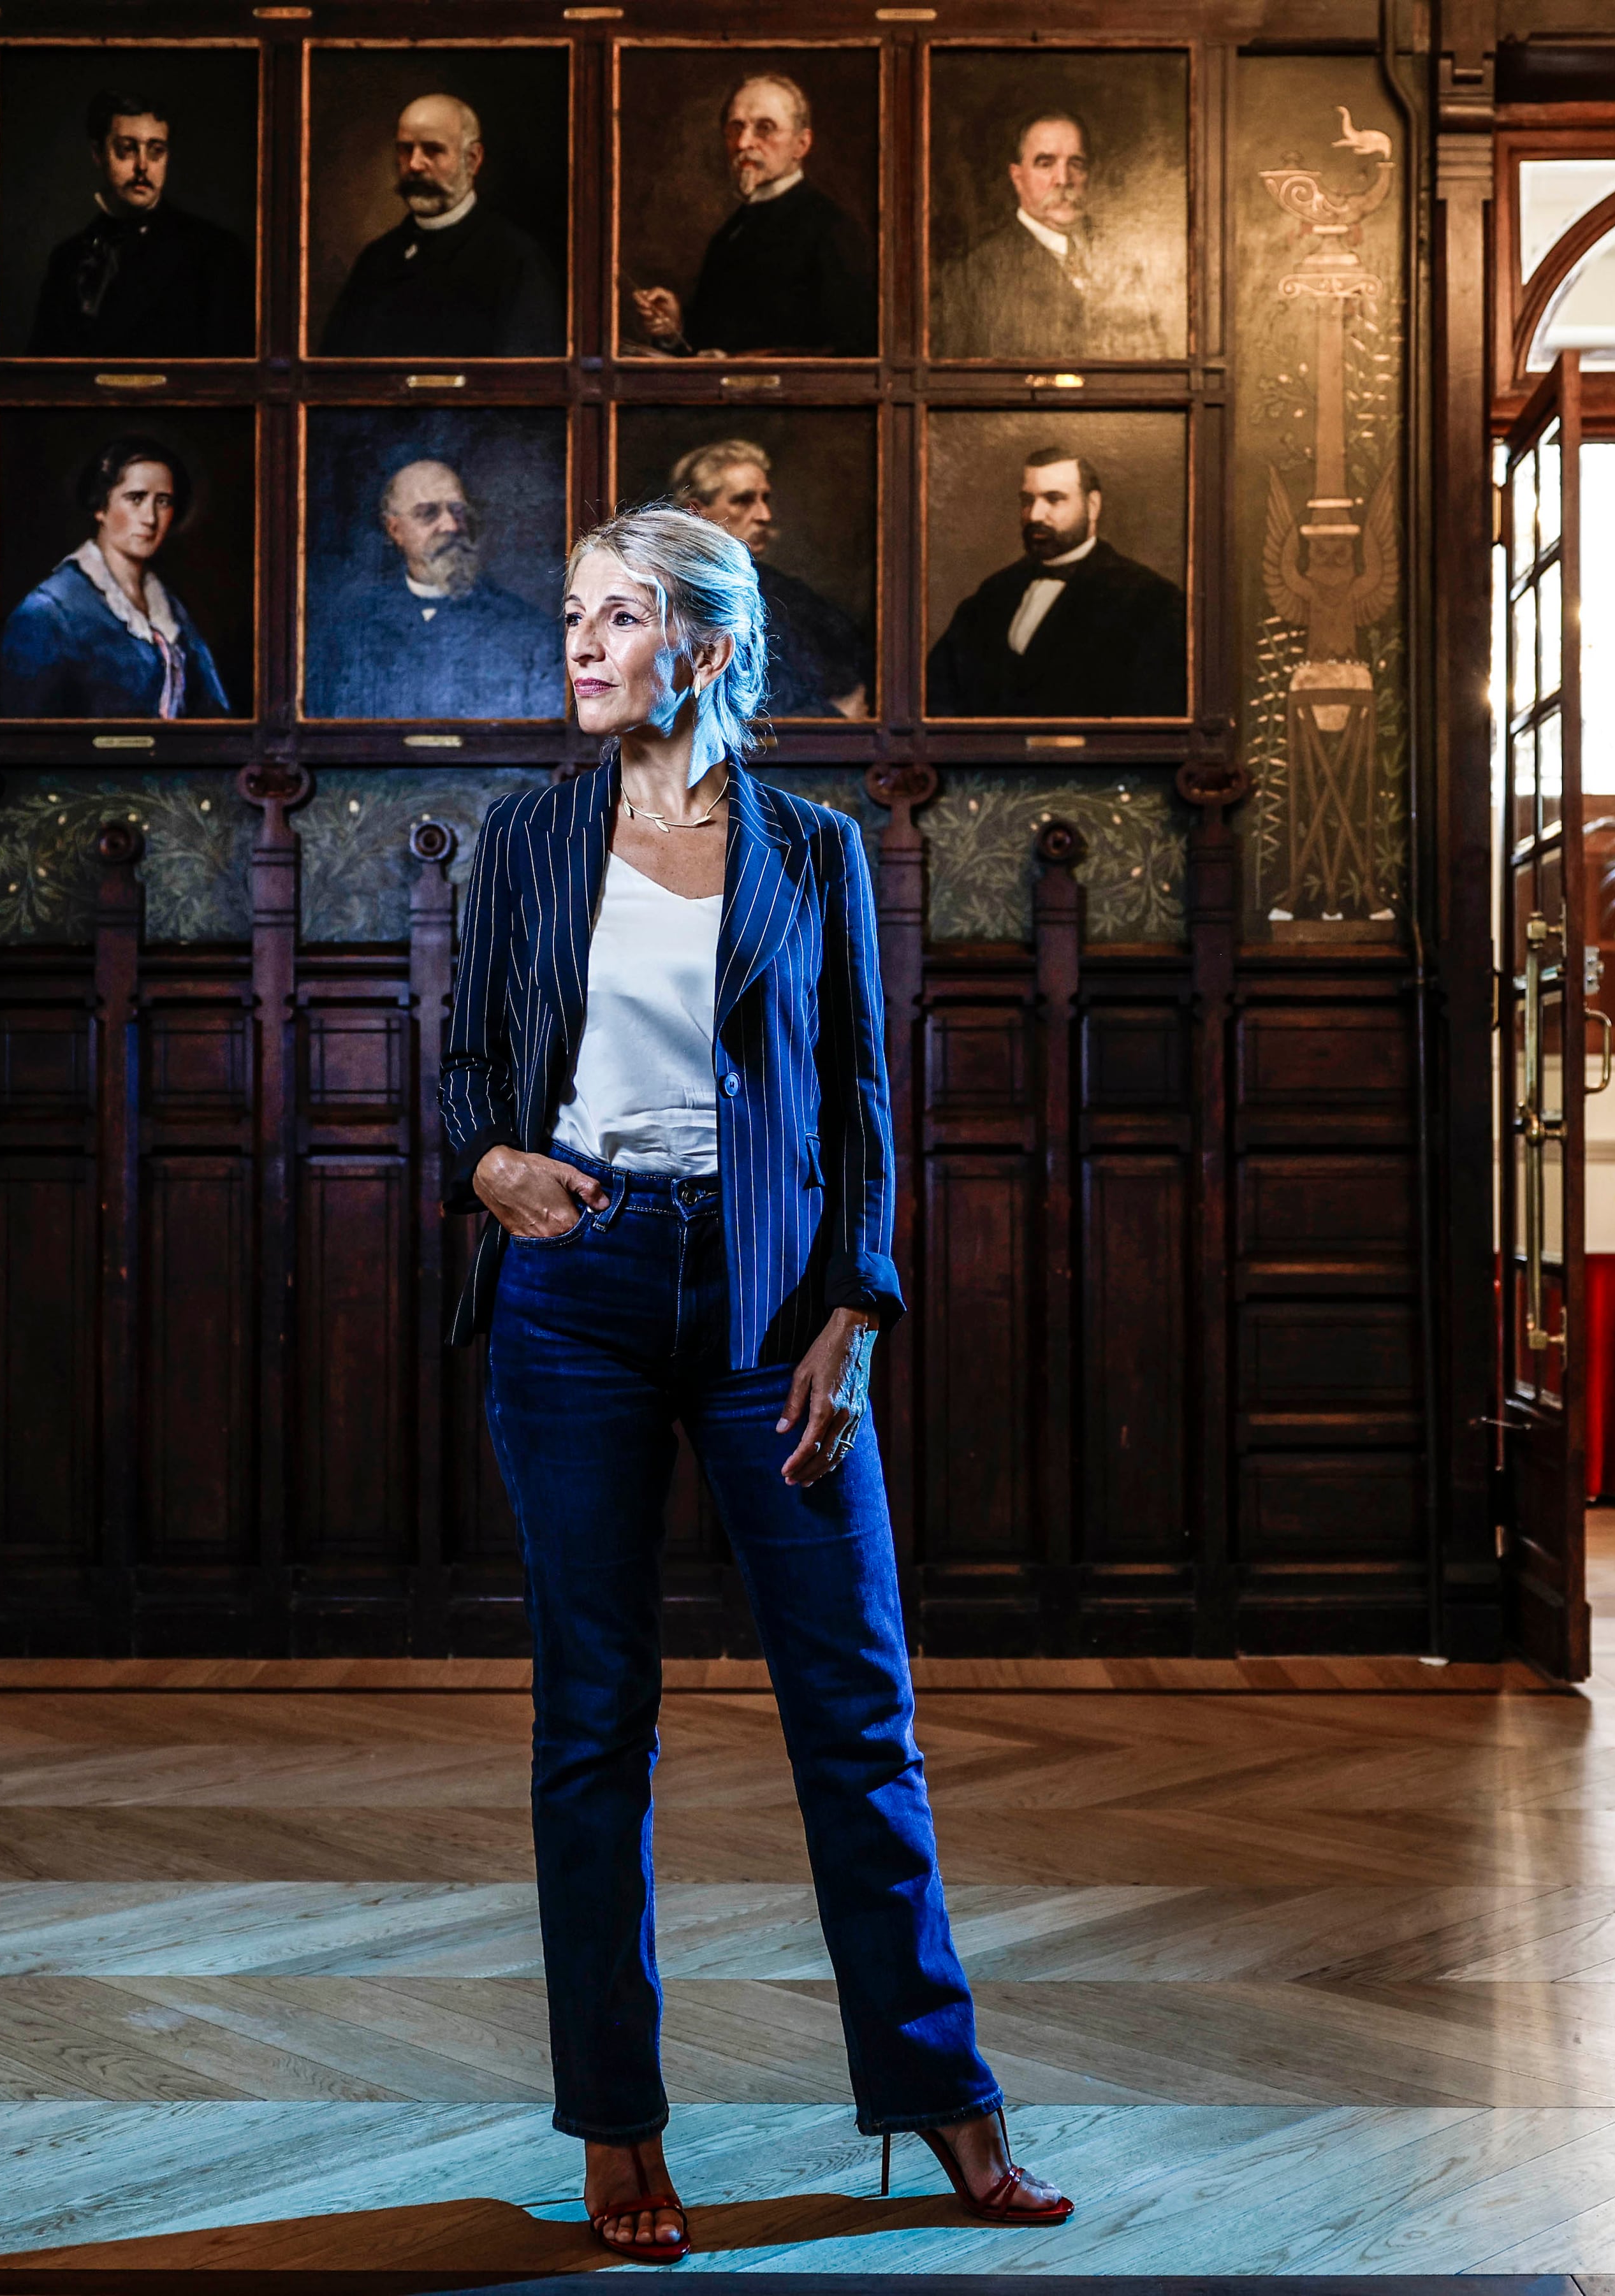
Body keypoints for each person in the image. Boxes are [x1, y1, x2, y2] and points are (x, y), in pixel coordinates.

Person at [440, 502, 1073, 2265]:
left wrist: (852, 1320)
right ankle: (618, 2131)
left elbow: (865, 1110)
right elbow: (472, 1069)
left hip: (771, 1302)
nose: (575, 643)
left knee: (857, 1711)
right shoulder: (528, 841)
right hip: (572, 1292)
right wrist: (494, 1172)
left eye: (615, 615)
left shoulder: (811, 851)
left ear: (704, 649)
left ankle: (945, 2100)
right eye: (571, 613)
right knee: (594, 1724)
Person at [925, 444, 1185, 716]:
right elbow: (937, 697)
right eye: (1027, 501)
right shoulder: (993, 593)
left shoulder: (1152, 601)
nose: (1035, 515)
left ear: (1093, 506)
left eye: (1054, 499)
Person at [627, 74, 873, 360]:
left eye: (764, 128)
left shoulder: (832, 229)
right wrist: (675, 326)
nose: (744, 142)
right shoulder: (729, 234)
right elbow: (710, 345)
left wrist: (742, 364)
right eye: (736, 128)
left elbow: (854, 352)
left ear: (801, 144)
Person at [305, 455, 556, 718]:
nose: (450, 525)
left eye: (458, 511)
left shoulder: (527, 630)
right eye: (428, 514)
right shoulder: (350, 632)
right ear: (395, 530)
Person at [0, 435, 231, 718]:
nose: (150, 518)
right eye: (136, 499)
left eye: (163, 502)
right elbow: (27, 739)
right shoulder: (48, 613)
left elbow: (215, 717)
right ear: (100, 506)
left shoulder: (171, 612)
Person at [319, 94, 560, 358]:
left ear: (472, 159)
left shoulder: (517, 259)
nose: (414, 164)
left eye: (433, 150)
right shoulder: (376, 260)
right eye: (405, 149)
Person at [23, 87, 252, 358]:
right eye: (127, 150)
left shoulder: (215, 252)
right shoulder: (68, 259)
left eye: (156, 151)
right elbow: (45, 373)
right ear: (98, 154)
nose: (143, 166)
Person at [936, 109, 1180, 363]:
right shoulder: (973, 274)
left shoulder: (1125, 262)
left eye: (1076, 164)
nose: (1063, 179)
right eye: (1046, 164)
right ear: (1018, 177)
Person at [671, 436, 868, 718]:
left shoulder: (786, 591)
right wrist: (833, 716)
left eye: (765, 499)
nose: (765, 515)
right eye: (743, 501)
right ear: (697, 513)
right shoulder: (676, 593)